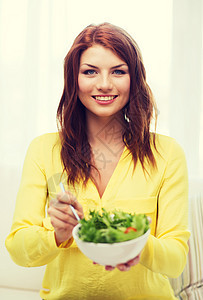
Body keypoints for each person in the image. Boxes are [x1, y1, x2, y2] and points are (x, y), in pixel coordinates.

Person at [5, 23, 190, 300]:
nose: (104, 84)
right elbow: (19, 250)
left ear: (134, 79)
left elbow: (175, 261)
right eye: (90, 71)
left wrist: (134, 242)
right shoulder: (44, 150)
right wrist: (57, 233)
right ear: (73, 79)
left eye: (118, 71)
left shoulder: (167, 153)